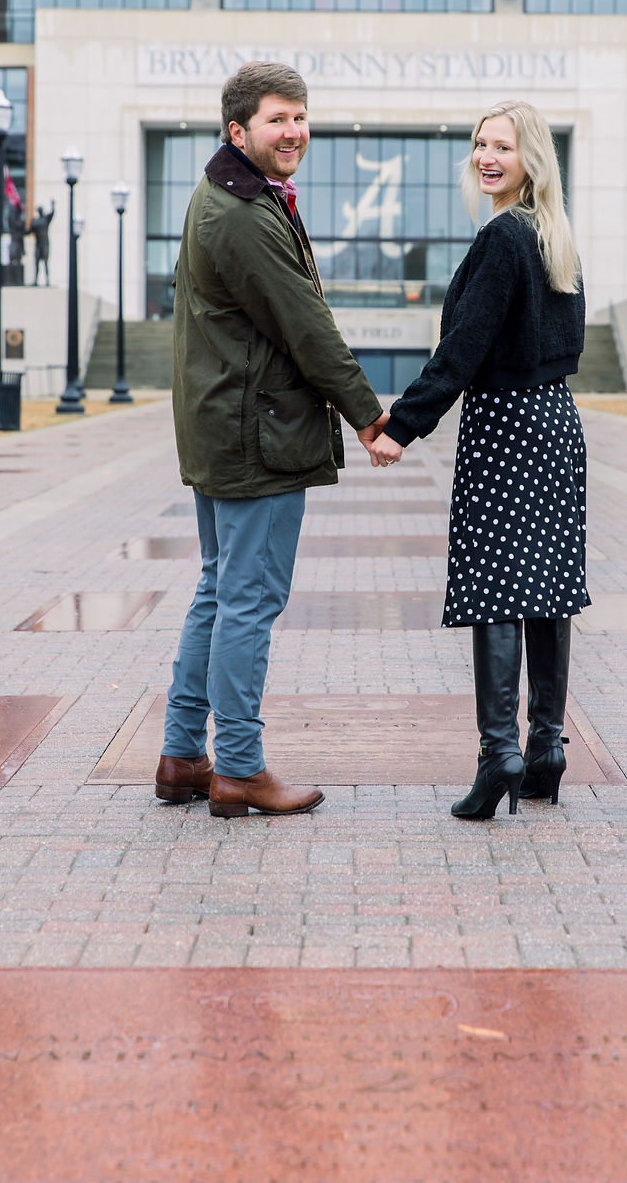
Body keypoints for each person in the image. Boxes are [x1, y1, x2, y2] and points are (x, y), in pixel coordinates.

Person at [155, 62, 387, 818]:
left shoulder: (223, 195)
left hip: (226, 426)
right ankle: (241, 769)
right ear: (238, 130)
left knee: (219, 589)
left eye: (300, 117)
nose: (294, 132)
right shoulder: (244, 215)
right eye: (277, 120)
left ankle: (183, 755)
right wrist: (367, 414)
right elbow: (307, 328)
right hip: (255, 435)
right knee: (248, 599)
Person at [368, 100, 588, 820]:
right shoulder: (553, 234)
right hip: (556, 421)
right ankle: (546, 746)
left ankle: (501, 753)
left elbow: (461, 349)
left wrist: (402, 425)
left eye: (503, 145)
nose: (486, 156)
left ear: (531, 159)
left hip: (505, 424)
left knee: (497, 582)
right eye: (479, 143)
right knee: (547, 583)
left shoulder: (502, 237)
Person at [28, 203, 54, 286]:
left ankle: (47, 281)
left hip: (45, 243)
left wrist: (53, 205)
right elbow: (29, 231)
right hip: (38, 244)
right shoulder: (35, 221)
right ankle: (35, 281)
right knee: (37, 263)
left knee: (45, 262)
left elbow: (52, 214)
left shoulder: (45, 219)